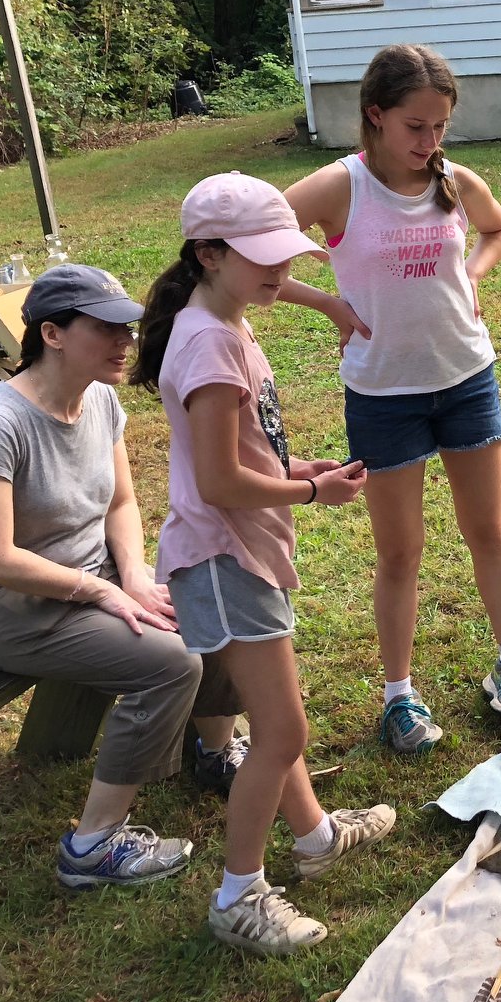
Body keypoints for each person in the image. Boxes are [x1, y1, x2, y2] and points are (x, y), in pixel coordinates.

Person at [133, 171, 395, 955]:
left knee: (276, 721)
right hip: (223, 557)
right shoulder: (211, 341)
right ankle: (238, 894)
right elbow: (217, 482)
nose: (281, 270)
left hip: (241, 549)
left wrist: (300, 469)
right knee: (280, 730)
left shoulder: (228, 320)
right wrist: (309, 491)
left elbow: (243, 454)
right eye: (263, 257)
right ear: (208, 253)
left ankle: (313, 839)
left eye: (287, 252)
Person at [0, 264, 246, 890]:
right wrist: (103, 589)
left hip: (89, 579)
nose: (125, 343)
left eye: (127, 329)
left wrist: (132, 572)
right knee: (172, 663)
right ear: (51, 334)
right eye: (106, 329)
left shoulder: (101, 400)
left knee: (214, 604)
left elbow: (121, 505)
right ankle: (92, 845)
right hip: (5, 607)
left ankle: (215, 753)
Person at [279, 43, 501, 756]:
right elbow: (243, 237)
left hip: (466, 380)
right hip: (383, 396)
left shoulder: (453, 178)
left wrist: (476, 273)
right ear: (375, 116)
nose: (430, 144)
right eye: (415, 128)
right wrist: (329, 304)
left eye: (440, 127)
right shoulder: (342, 187)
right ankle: (398, 695)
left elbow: (500, 228)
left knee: (488, 531)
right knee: (400, 552)